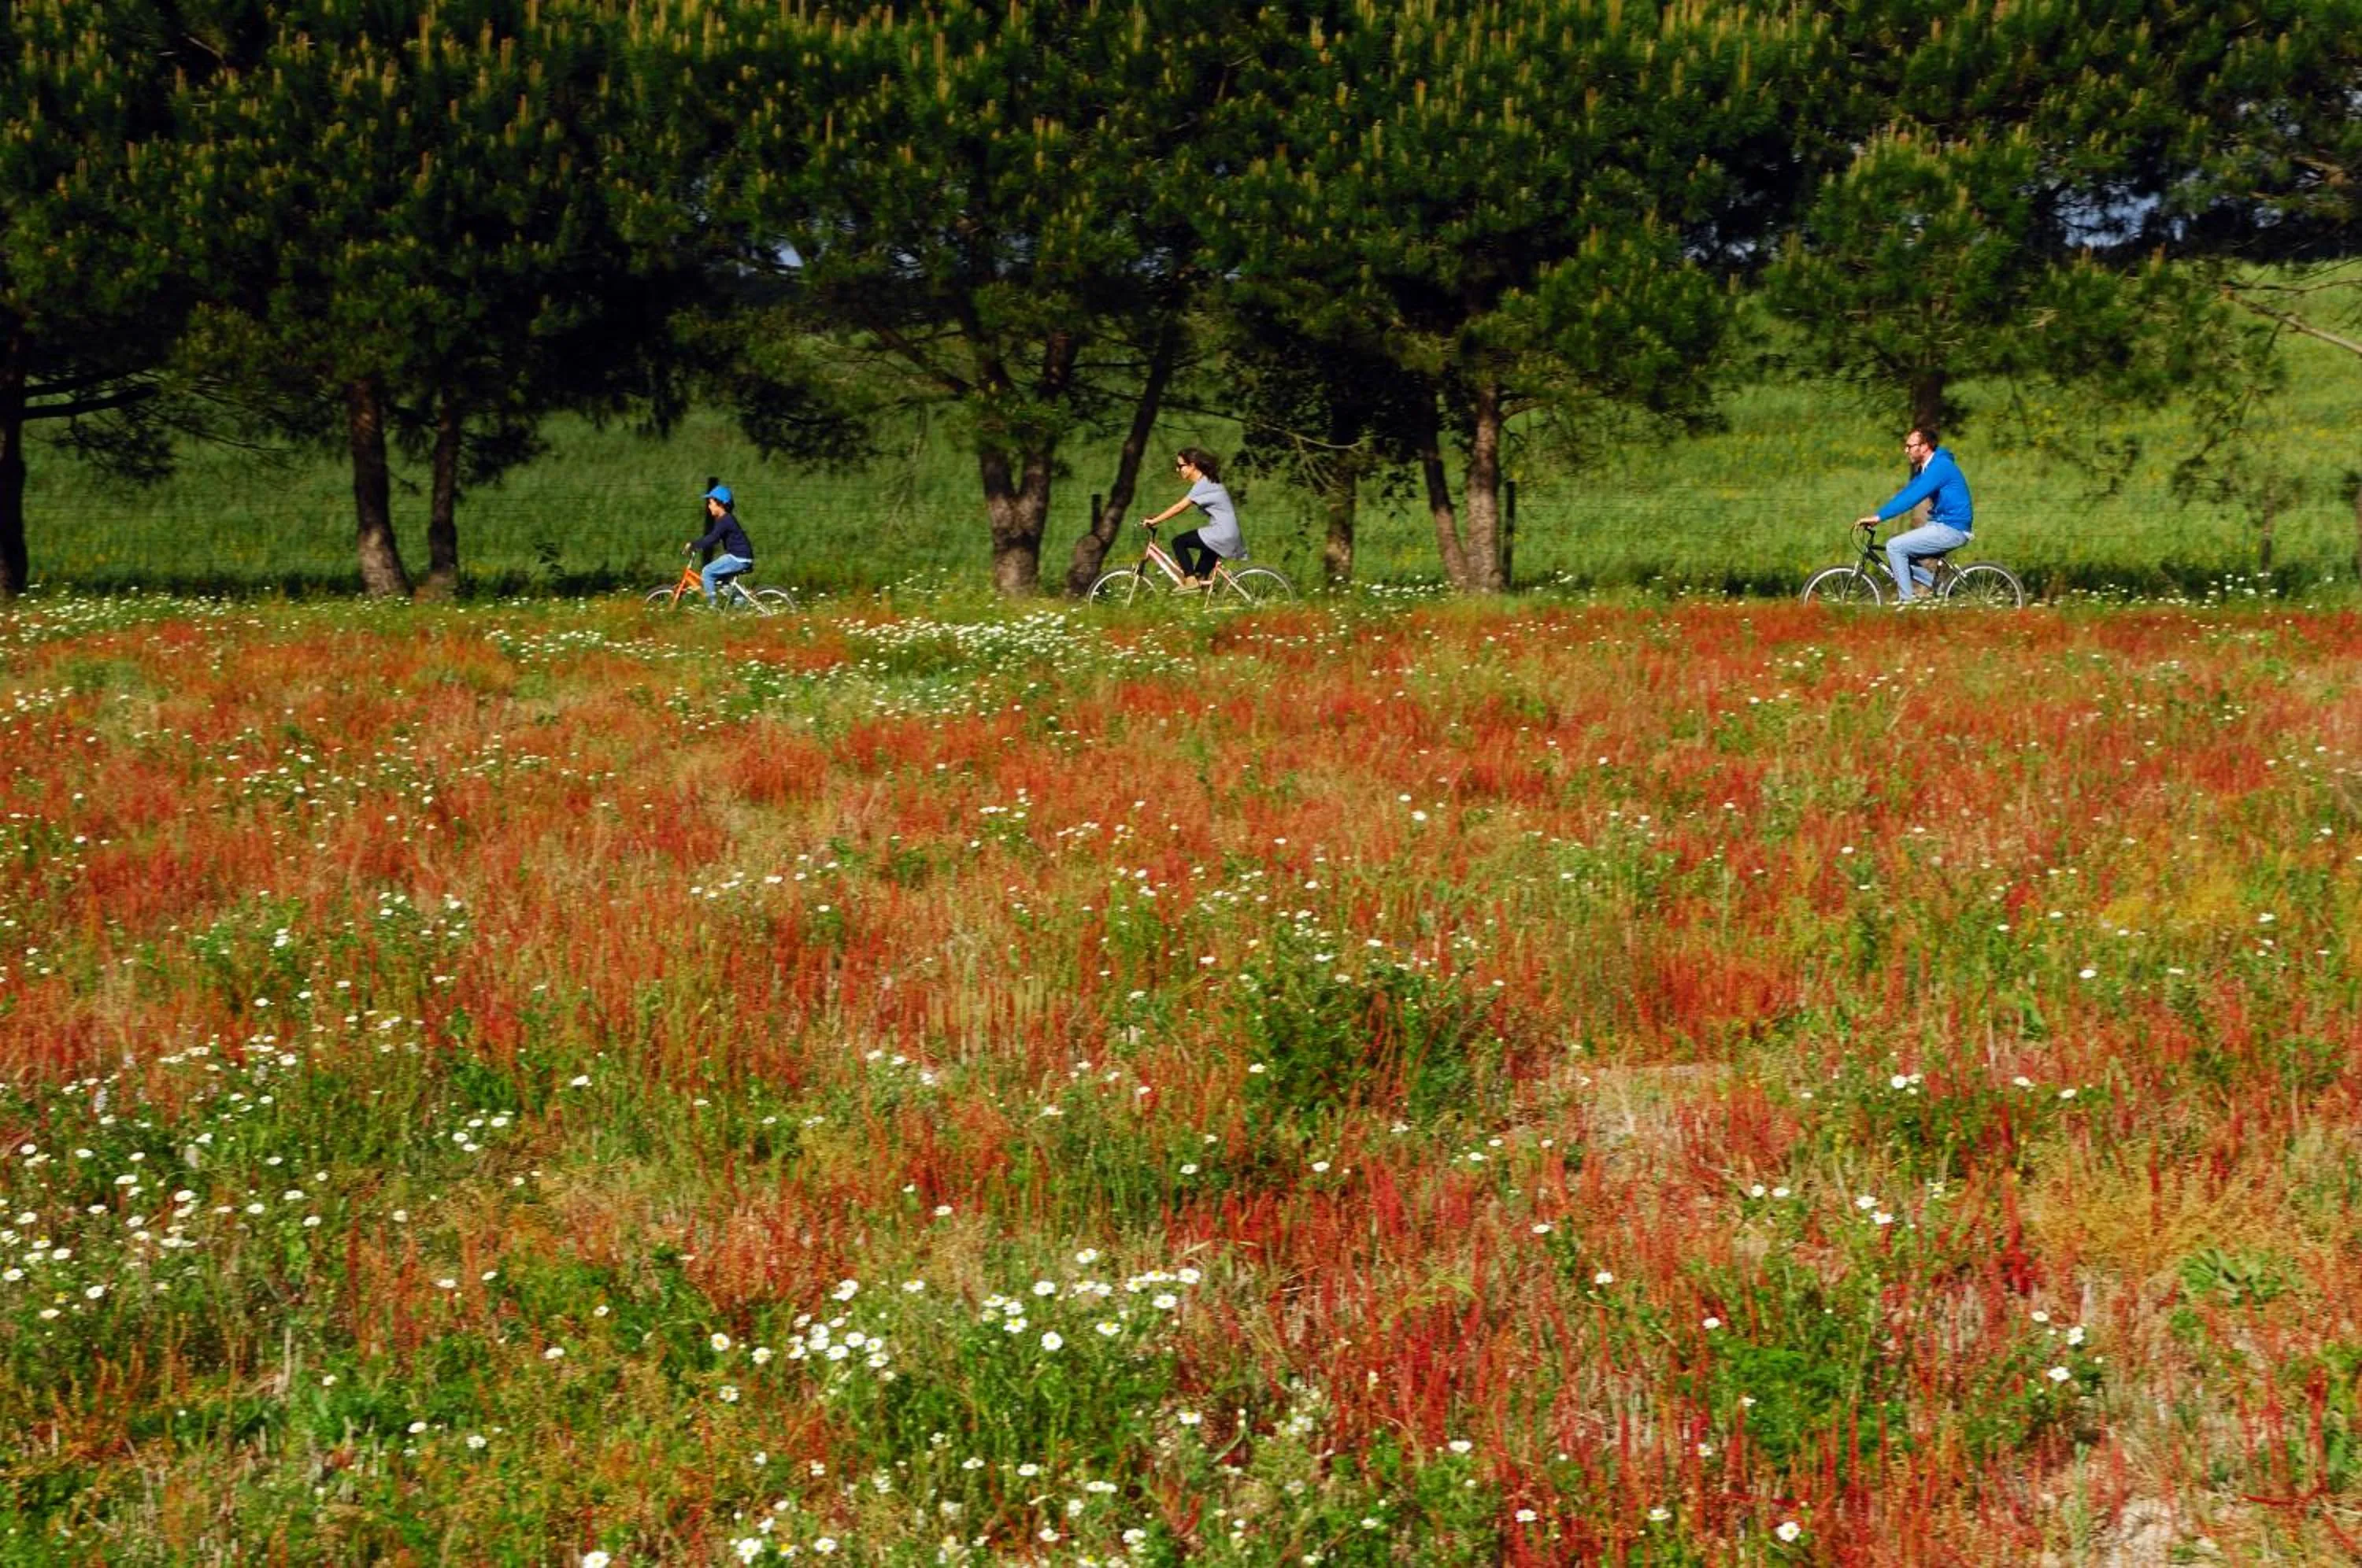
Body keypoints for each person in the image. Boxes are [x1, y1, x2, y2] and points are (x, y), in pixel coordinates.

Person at [1857, 427, 1972, 605]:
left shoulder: (1939, 467)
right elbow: (1907, 493)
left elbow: (1912, 498)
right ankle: (1940, 587)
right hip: (1942, 525)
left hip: (1951, 528)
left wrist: (1879, 518)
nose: (1906, 450)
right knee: (1900, 552)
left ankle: (1906, 604)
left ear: (1924, 446)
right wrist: (1878, 515)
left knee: (1895, 547)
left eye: (1909, 446)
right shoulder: (1928, 468)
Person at [1141, 447, 1243, 587]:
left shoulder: (1204, 484)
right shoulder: (1207, 482)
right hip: (1225, 532)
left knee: (1179, 542)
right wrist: (1157, 517)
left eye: (1180, 466)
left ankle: (1189, 581)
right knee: (1200, 579)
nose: (1177, 470)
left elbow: (1179, 507)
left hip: (1221, 533)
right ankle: (1198, 588)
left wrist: (1154, 521)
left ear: (1192, 465)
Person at [685, 483, 756, 606]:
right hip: (740, 556)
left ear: (720, 504)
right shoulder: (725, 519)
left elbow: (712, 539)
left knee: (707, 572)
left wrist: (694, 545)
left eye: (711, 503)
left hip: (737, 558)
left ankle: (712, 608)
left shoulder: (725, 520)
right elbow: (714, 539)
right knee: (723, 584)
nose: (709, 506)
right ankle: (741, 605)